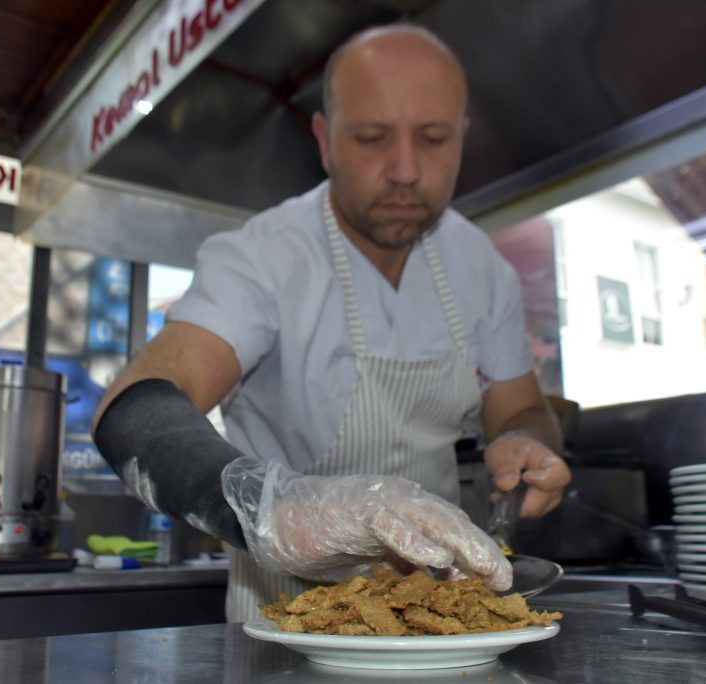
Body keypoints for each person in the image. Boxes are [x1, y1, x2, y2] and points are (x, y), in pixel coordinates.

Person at [92, 23, 571, 622]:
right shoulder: (263, 258)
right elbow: (135, 408)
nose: (404, 170)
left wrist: (526, 441)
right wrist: (277, 510)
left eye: (432, 138)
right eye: (372, 138)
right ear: (323, 140)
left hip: (446, 622)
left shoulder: (483, 269)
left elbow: (521, 409)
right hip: (287, 621)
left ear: (462, 137)